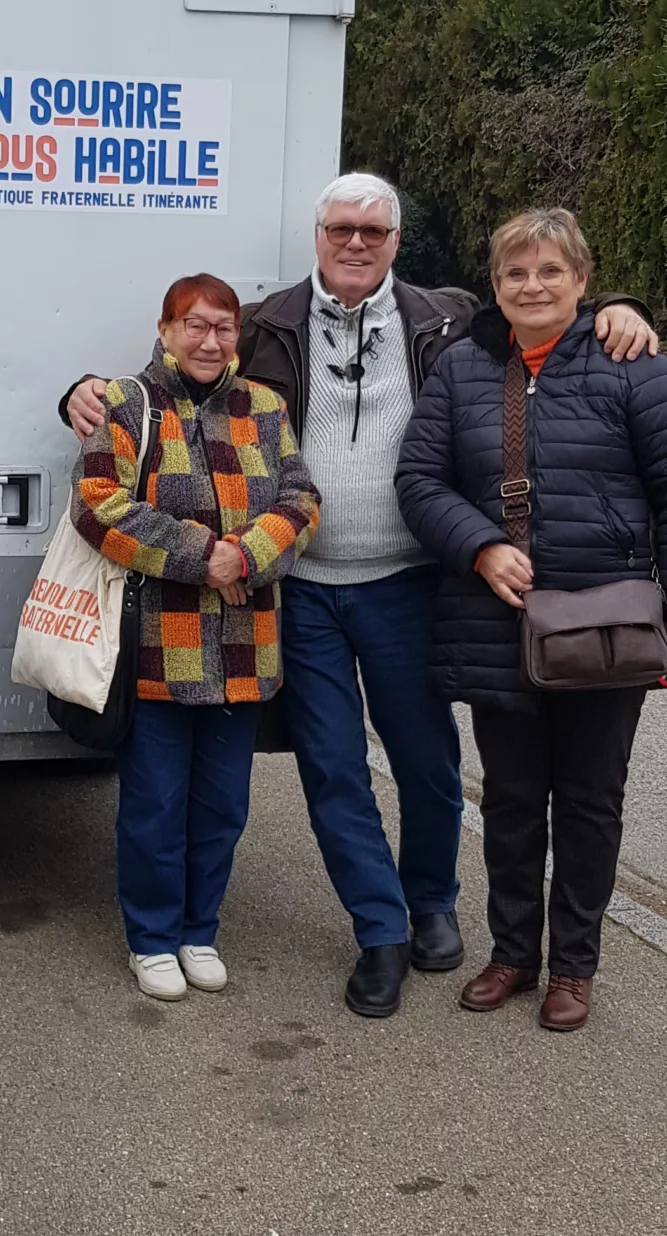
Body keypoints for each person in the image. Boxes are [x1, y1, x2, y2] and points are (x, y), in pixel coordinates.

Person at [64, 174, 657, 1018]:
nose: (356, 243)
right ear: (317, 234)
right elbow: (182, 379)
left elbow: (548, 313)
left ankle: (430, 907)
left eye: (373, 231)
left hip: (412, 581)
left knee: (426, 762)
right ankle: (379, 931)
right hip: (300, 589)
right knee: (335, 770)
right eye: (341, 227)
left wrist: (622, 306)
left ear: (395, 241)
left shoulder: (447, 316)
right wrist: (80, 390)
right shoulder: (268, 323)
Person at [395, 208, 667, 1032]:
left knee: (590, 802)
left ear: (584, 283)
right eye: (516, 272)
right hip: (498, 620)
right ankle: (514, 952)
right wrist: (478, 545)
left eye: (551, 271)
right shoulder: (461, 369)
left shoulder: (635, 366)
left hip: (604, 626)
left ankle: (574, 968)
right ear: (496, 284)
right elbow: (419, 480)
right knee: (512, 800)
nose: (533, 285)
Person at [70, 272, 319, 1001]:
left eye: (223, 327)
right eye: (195, 325)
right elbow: (96, 504)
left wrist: (244, 555)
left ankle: (197, 930)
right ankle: (149, 939)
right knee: (153, 806)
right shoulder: (127, 403)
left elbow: (301, 499)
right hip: (157, 645)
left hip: (244, 646)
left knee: (222, 805)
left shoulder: (265, 408)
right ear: (166, 329)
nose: (210, 340)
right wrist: (200, 555)